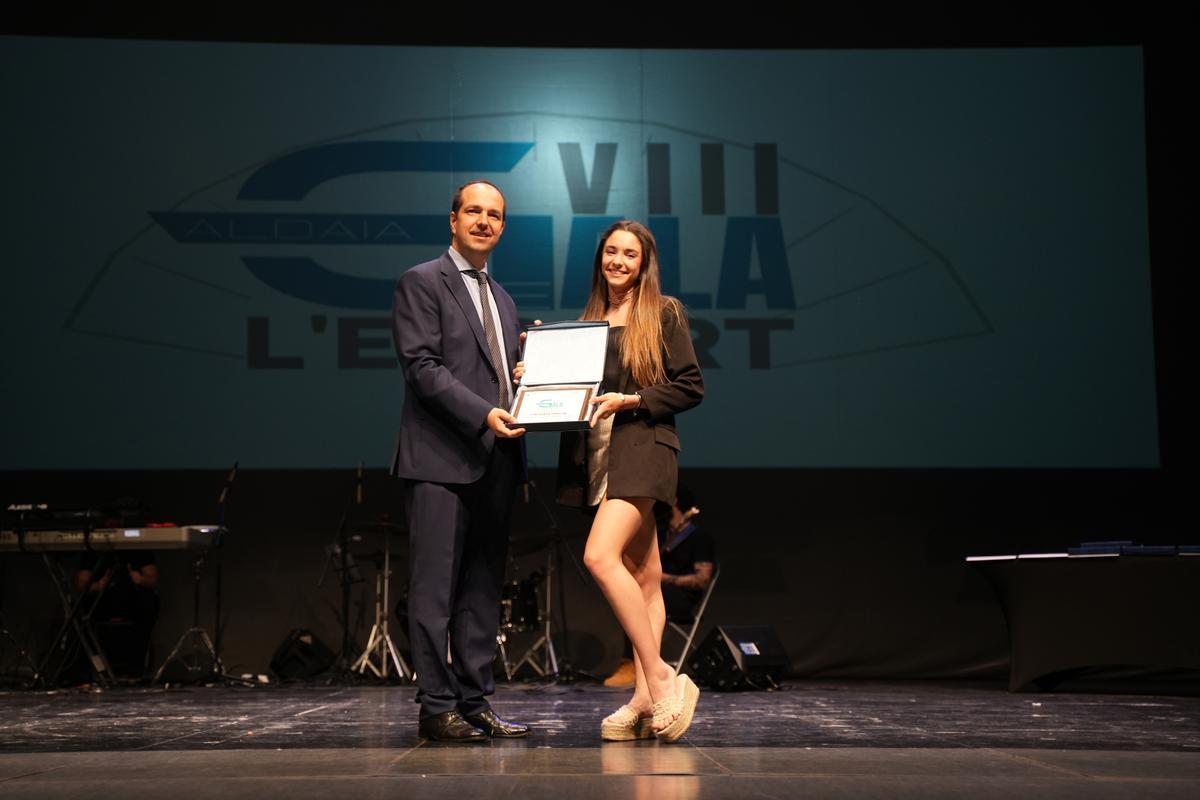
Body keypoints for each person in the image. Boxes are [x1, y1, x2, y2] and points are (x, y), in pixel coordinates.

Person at [552, 219, 705, 742]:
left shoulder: (662, 312)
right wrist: (539, 375)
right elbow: (576, 392)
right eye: (611, 252)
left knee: (600, 557)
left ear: (645, 263)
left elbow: (691, 385)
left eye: (629, 254)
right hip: (598, 460)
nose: (618, 261)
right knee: (645, 577)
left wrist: (635, 400)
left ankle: (661, 677)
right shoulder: (591, 319)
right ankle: (642, 697)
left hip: (642, 453)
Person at [389, 180, 531, 743]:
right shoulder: (421, 281)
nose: (483, 221)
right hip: (439, 460)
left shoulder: (504, 299)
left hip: (497, 459)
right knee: (434, 591)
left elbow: (500, 372)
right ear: (453, 220)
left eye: (494, 215)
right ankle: (436, 706)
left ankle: (475, 703)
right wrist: (485, 412)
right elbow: (422, 369)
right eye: (473, 211)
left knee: (481, 590)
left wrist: (525, 375)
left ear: (502, 227)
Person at [603, 485, 715, 689]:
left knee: (634, 597)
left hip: (682, 597)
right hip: (660, 588)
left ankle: (638, 667)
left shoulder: (698, 536)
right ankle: (636, 667)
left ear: (674, 501)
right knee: (627, 593)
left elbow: (702, 579)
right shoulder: (662, 533)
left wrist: (666, 578)